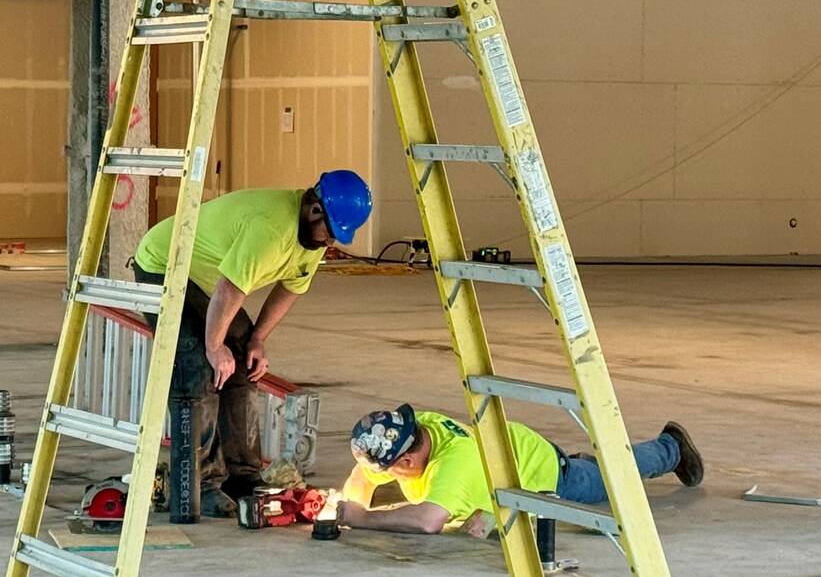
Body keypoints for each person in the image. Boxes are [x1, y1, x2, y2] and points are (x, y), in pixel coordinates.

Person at [131, 171, 371, 518]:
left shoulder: (313, 238)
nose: (332, 243)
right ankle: (202, 483)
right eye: (332, 234)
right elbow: (230, 290)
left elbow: (289, 289)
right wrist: (214, 347)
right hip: (165, 265)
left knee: (243, 362)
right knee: (198, 368)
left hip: (207, 279)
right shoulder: (271, 228)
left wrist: (256, 339)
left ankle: (241, 477)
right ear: (314, 211)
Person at [335, 402, 704, 536]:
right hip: (511, 450)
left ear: (407, 461)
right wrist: (350, 500)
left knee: (607, 481)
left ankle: (670, 448)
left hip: (544, 473)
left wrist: (362, 519)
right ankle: (583, 462)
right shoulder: (415, 430)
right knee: (593, 469)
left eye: (390, 469)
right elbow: (363, 475)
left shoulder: (453, 466)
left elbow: (428, 521)